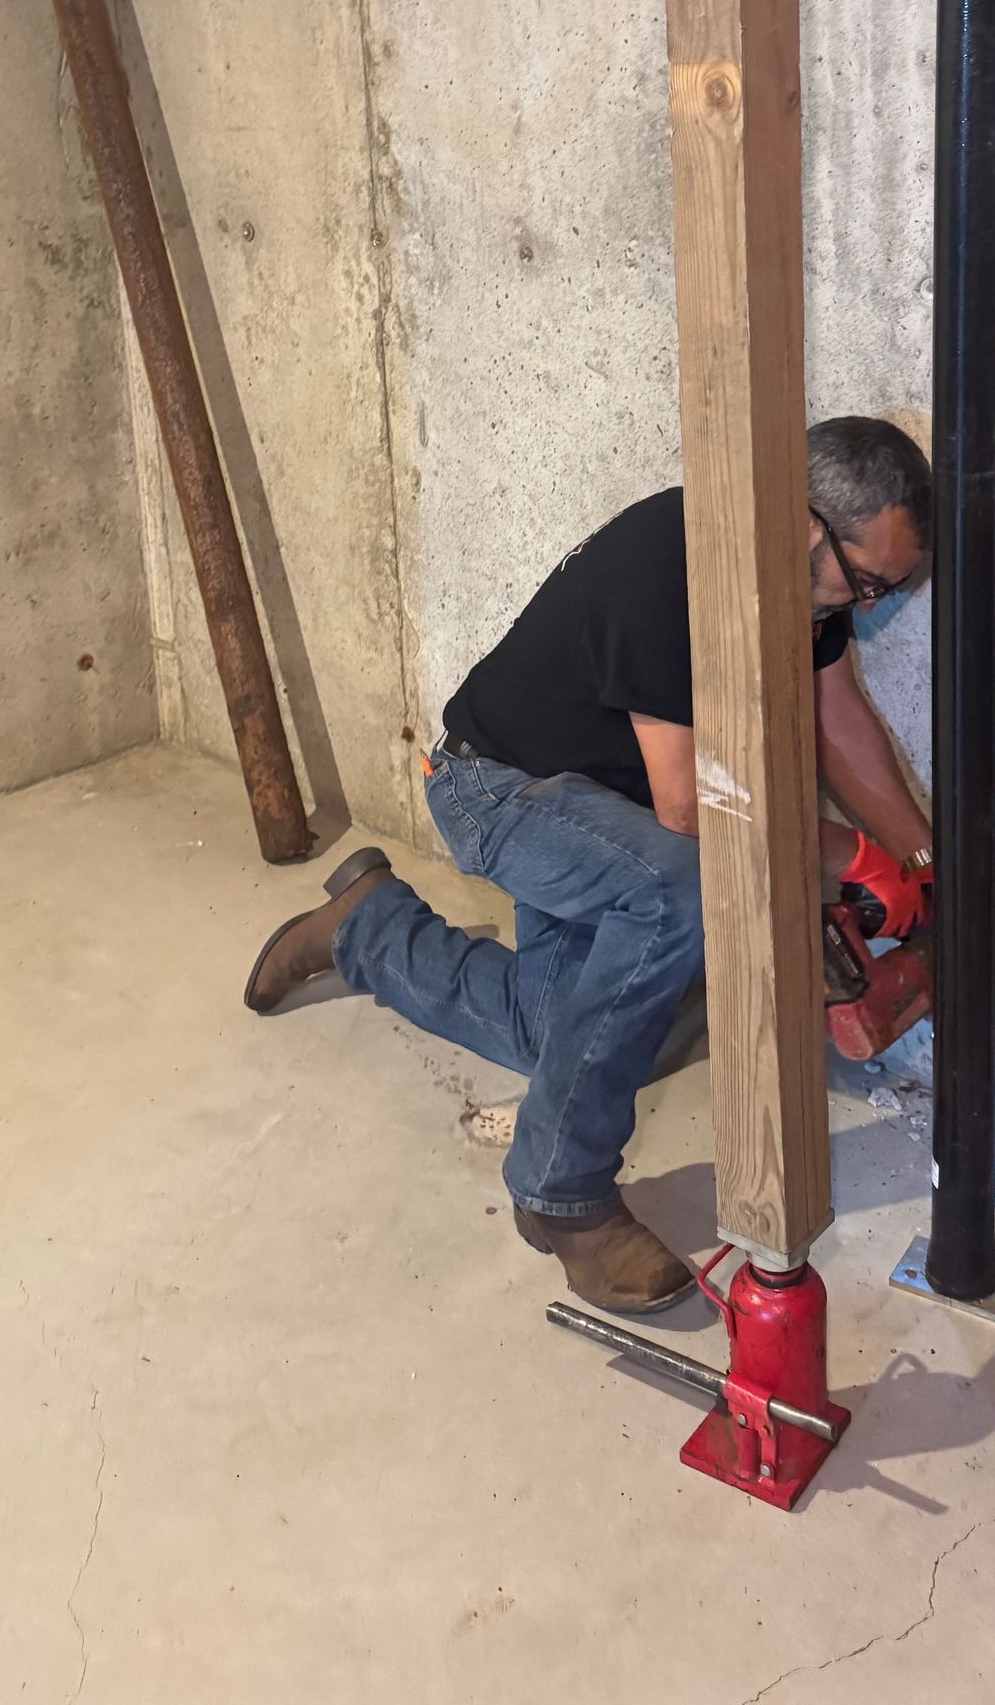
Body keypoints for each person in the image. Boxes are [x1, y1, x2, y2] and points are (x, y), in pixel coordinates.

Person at [243, 415, 932, 1314]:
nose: (869, 607)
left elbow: (837, 720)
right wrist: (848, 854)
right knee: (677, 892)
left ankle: (366, 927)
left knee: (554, 1038)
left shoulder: (800, 585)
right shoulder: (670, 565)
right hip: (499, 789)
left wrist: (920, 860)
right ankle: (561, 1194)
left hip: (603, 816)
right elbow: (685, 808)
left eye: (890, 588)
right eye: (868, 582)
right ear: (807, 526)